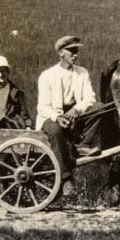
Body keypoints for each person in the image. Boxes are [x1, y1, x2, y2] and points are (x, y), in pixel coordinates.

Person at [36, 35, 107, 190]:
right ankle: (65, 177)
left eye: (76, 51)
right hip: (51, 116)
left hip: (74, 115)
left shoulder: (82, 73)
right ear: (61, 53)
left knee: (100, 107)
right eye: (71, 51)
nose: (75, 55)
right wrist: (57, 117)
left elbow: (90, 98)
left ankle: (83, 145)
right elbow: (42, 107)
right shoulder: (47, 76)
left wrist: (77, 109)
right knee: (55, 130)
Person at [0, 55, 33, 130]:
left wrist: (27, 126)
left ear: (7, 72)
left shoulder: (15, 92)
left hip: (7, 127)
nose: (0, 75)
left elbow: (24, 113)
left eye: (3, 71)